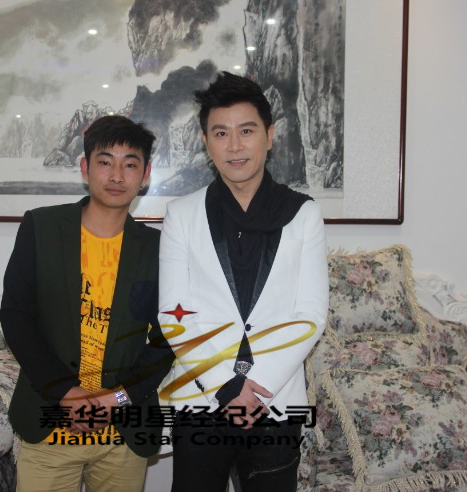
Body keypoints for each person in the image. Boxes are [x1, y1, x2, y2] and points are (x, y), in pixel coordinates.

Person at [158, 72, 329, 491]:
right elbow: (173, 315)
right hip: (201, 398)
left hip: (275, 400)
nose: (234, 146)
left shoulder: (303, 213)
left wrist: (255, 388)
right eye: (221, 133)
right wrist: (227, 387)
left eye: (247, 131)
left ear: (269, 136)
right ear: (206, 141)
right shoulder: (182, 214)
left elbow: (310, 314)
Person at [1, 115, 174, 492]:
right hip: (49, 421)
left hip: (122, 430)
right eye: (105, 161)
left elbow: (168, 338)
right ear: (85, 168)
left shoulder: (157, 249)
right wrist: (67, 393)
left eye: (130, 164)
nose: (117, 175)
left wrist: (117, 398)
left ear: (145, 175)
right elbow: (16, 316)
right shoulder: (41, 228)